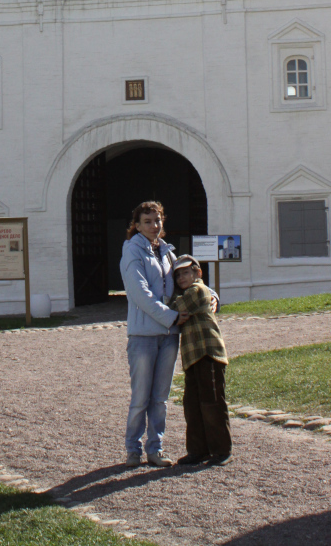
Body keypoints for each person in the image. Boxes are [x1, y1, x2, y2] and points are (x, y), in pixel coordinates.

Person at [119, 200, 189, 468]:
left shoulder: (167, 253)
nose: (154, 226)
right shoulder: (132, 251)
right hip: (144, 336)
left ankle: (155, 449)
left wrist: (210, 296)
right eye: (147, 221)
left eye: (157, 220)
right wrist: (171, 317)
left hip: (168, 336)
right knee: (141, 397)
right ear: (136, 225)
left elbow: (187, 281)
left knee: (160, 398)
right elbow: (139, 294)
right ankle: (133, 449)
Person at [171, 254, 232, 466]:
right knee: (192, 405)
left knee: (212, 402)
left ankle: (221, 450)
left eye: (186, 272)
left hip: (208, 354)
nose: (181, 278)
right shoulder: (187, 292)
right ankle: (198, 450)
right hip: (192, 357)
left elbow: (177, 307)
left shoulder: (198, 290)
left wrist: (163, 305)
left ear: (198, 273)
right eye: (177, 275)